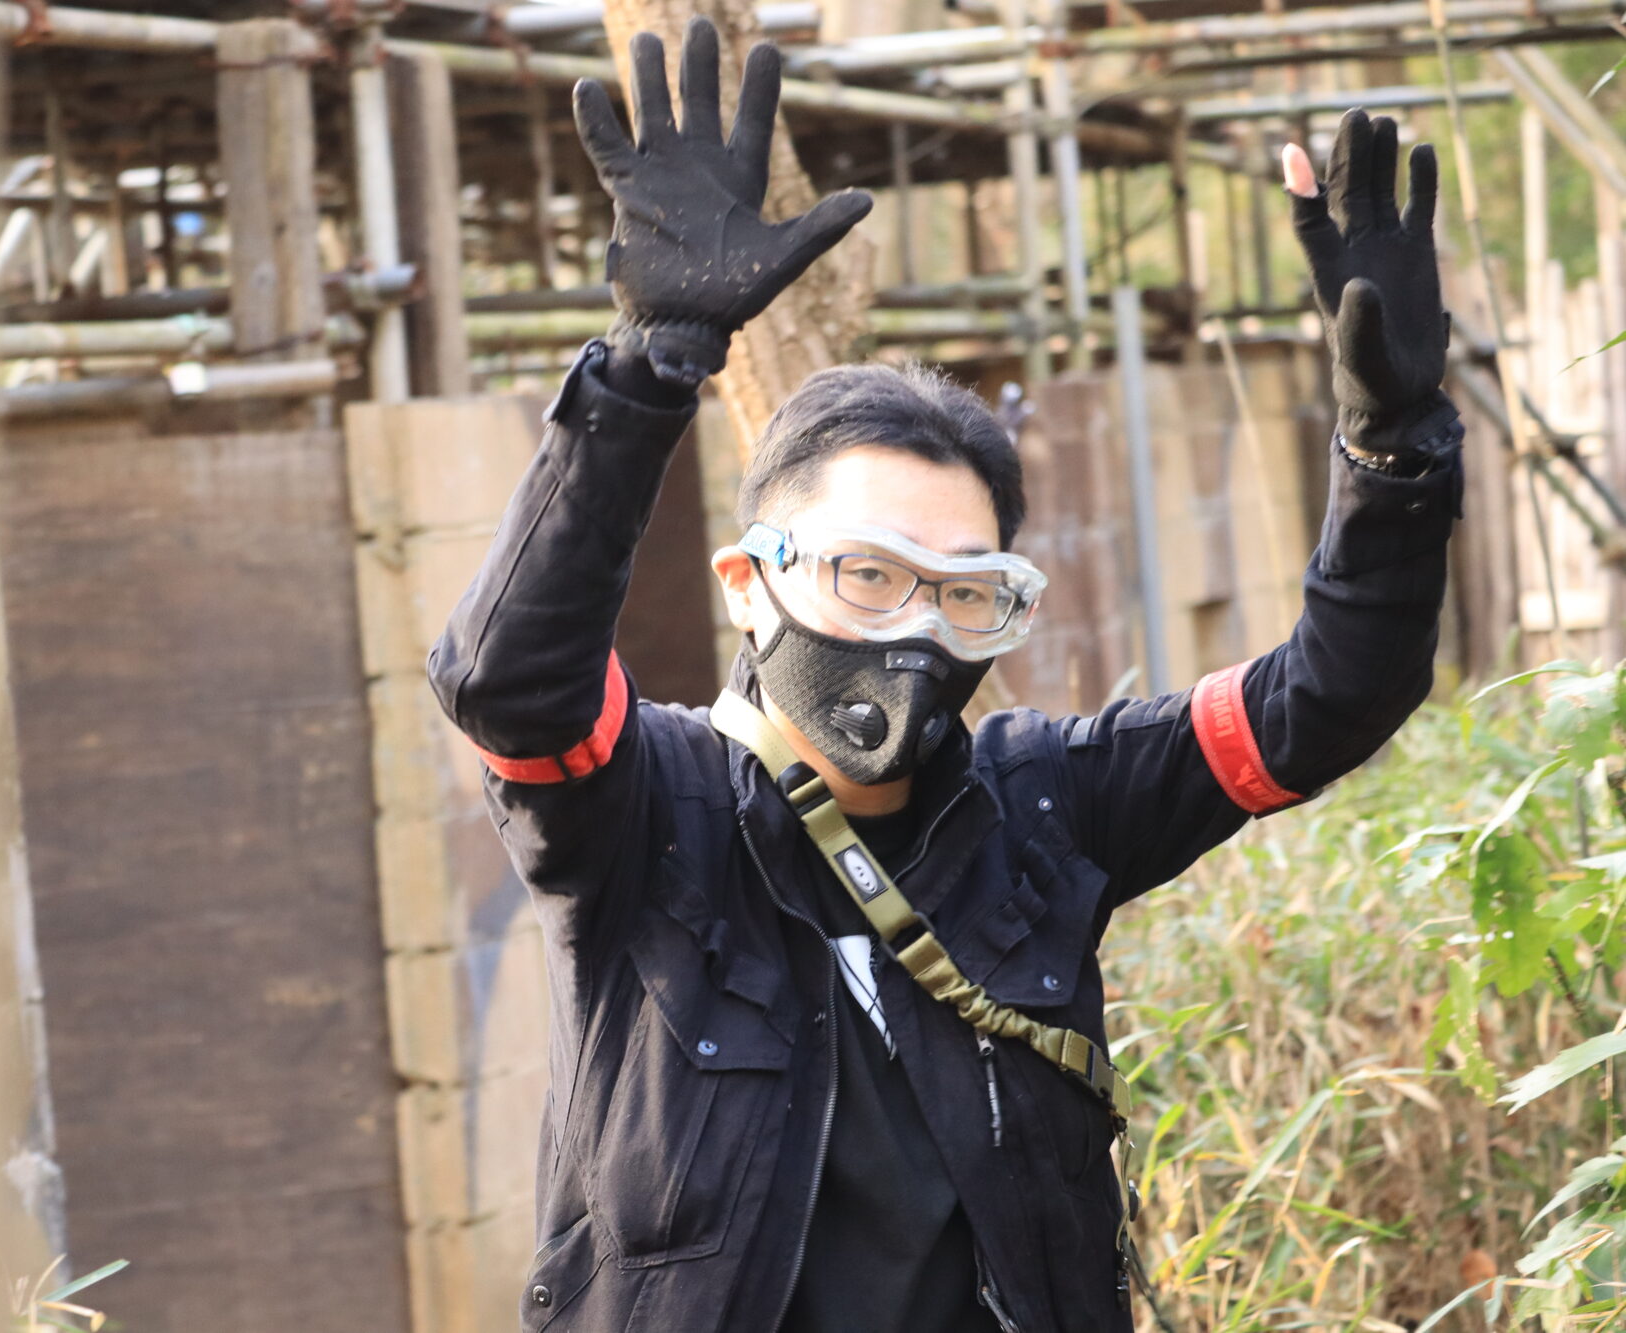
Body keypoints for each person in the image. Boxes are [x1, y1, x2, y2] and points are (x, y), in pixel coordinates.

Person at [429, 19, 1462, 1333]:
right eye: (868, 573)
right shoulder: (645, 814)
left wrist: (1393, 445)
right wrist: (650, 366)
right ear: (749, 582)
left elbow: (1332, 695)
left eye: (966, 592)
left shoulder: (1047, 807)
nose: (916, 626)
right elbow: (509, 681)